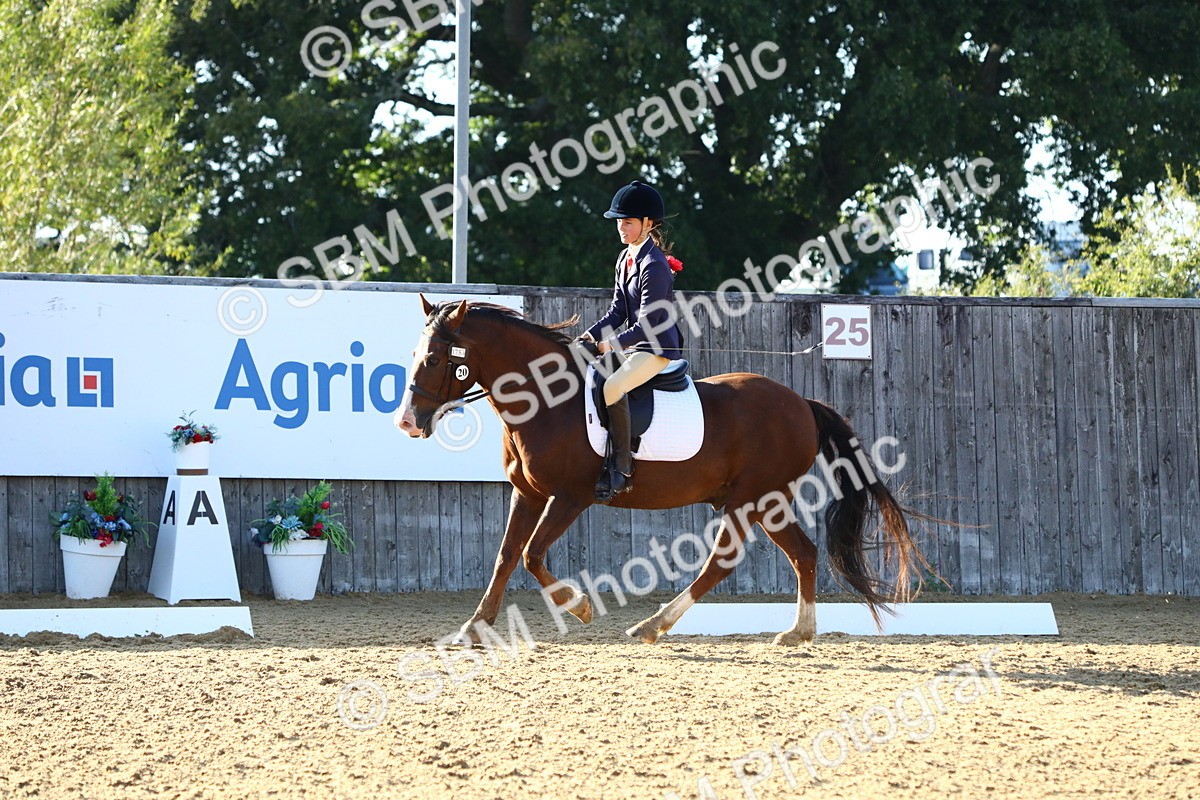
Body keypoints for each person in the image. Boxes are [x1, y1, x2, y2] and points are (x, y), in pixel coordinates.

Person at [578, 180, 685, 501]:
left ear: (647, 224)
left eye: (628, 222)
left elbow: (650, 323)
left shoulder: (654, 265)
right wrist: (589, 336)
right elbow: (616, 311)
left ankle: (622, 467)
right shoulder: (626, 258)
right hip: (635, 345)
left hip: (656, 348)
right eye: (619, 223)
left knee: (613, 387)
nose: (621, 228)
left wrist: (612, 344)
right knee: (590, 373)